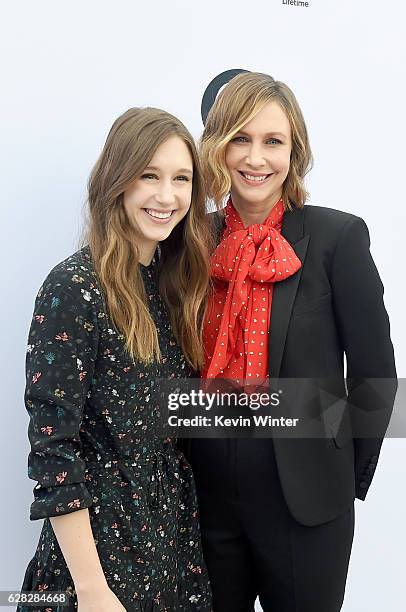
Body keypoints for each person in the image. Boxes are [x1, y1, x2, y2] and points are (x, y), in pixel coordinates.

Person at [185, 72, 397, 611]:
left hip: (307, 506)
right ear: (217, 146)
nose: (256, 158)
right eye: (241, 138)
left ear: (294, 150)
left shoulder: (338, 238)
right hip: (203, 499)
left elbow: (375, 371)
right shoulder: (189, 241)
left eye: (273, 141)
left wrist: (339, 472)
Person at [18, 107, 213, 612]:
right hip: (96, 563)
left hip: (169, 546)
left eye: (181, 178)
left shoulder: (175, 289)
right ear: (116, 181)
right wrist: (91, 590)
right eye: (149, 175)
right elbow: (54, 451)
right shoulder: (74, 288)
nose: (166, 196)